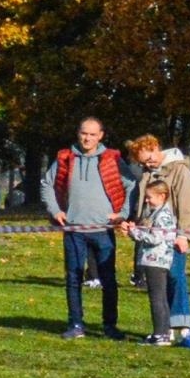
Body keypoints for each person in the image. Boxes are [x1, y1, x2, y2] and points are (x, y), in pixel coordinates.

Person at [40, 117, 132, 340]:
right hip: (73, 230)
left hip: (103, 230)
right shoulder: (65, 158)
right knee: (73, 278)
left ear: (101, 135)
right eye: (84, 133)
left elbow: (132, 186)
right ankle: (76, 324)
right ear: (78, 133)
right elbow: (46, 184)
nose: (87, 138)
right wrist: (55, 211)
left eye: (92, 134)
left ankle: (110, 325)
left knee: (108, 280)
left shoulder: (112, 159)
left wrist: (123, 214)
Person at [127, 135, 190, 336]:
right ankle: (165, 326)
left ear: (155, 147)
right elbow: (142, 203)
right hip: (152, 236)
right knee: (160, 282)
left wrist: (184, 235)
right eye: (142, 163)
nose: (146, 164)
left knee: (176, 276)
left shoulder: (180, 171)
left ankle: (182, 321)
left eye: (148, 159)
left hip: (174, 236)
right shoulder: (147, 173)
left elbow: (188, 205)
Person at [121, 178, 178, 346]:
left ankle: (160, 334)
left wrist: (135, 232)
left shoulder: (164, 215)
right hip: (152, 260)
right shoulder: (155, 212)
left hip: (156, 261)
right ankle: (163, 333)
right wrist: (135, 231)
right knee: (159, 296)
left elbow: (155, 238)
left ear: (162, 196)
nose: (146, 200)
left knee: (157, 297)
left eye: (149, 197)